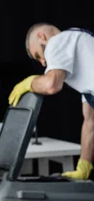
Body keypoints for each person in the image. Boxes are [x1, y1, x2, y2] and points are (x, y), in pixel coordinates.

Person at [9, 23, 94, 180]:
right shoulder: (86, 60)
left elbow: (51, 85)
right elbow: (90, 122)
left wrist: (30, 82)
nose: (43, 62)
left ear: (42, 36)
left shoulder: (58, 41)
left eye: (38, 55)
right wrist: (84, 166)